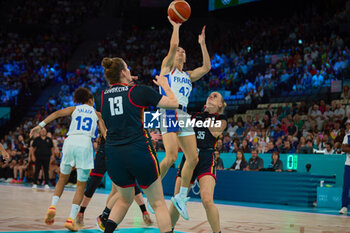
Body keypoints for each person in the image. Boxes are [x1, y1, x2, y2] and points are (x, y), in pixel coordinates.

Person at [99, 57, 178, 233]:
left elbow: (105, 115)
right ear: (123, 72)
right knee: (158, 203)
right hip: (138, 152)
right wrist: (164, 85)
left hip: (113, 155)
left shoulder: (101, 97)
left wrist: (125, 84)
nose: (130, 70)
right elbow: (173, 103)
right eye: (127, 68)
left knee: (124, 200)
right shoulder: (139, 92)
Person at [30, 87, 106, 231]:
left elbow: (57, 113)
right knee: (80, 186)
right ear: (90, 100)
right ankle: (71, 219)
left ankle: (53, 206)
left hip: (70, 142)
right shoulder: (97, 114)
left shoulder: (75, 109)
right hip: (85, 144)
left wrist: (40, 126)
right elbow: (105, 134)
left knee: (62, 179)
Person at [157, 17, 211, 220]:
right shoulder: (167, 68)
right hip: (169, 110)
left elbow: (206, 68)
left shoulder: (188, 75)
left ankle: (180, 197)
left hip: (184, 113)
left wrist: (203, 45)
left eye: (183, 51)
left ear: (186, 59)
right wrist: (176, 26)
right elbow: (172, 45)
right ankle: (151, 187)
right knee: (171, 156)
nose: (181, 51)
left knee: (193, 157)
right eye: (179, 50)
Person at [169, 92, 227, 233]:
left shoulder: (221, 118)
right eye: (209, 96)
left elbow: (215, 132)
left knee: (207, 200)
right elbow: (178, 129)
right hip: (189, 156)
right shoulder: (194, 115)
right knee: (177, 200)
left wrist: (206, 115)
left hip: (206, 158)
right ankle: (168, 230)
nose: (210, 96)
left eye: (215, 96)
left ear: (220, 104)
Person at [76, 135, 153, 229]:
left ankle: (108, 217)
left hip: (118, 151)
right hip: (107, 151)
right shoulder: (107, 122)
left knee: (123, 185)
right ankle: (83, 213)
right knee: (95, 183)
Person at [340, 120, 350, 215]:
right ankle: (344, 206)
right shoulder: (347, 136)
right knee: (346, 186)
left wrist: (348, 148)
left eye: (349, 125)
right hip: (348, 164)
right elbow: (343, 148)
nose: (348, 127)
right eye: (347, 125)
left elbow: (347, 148)